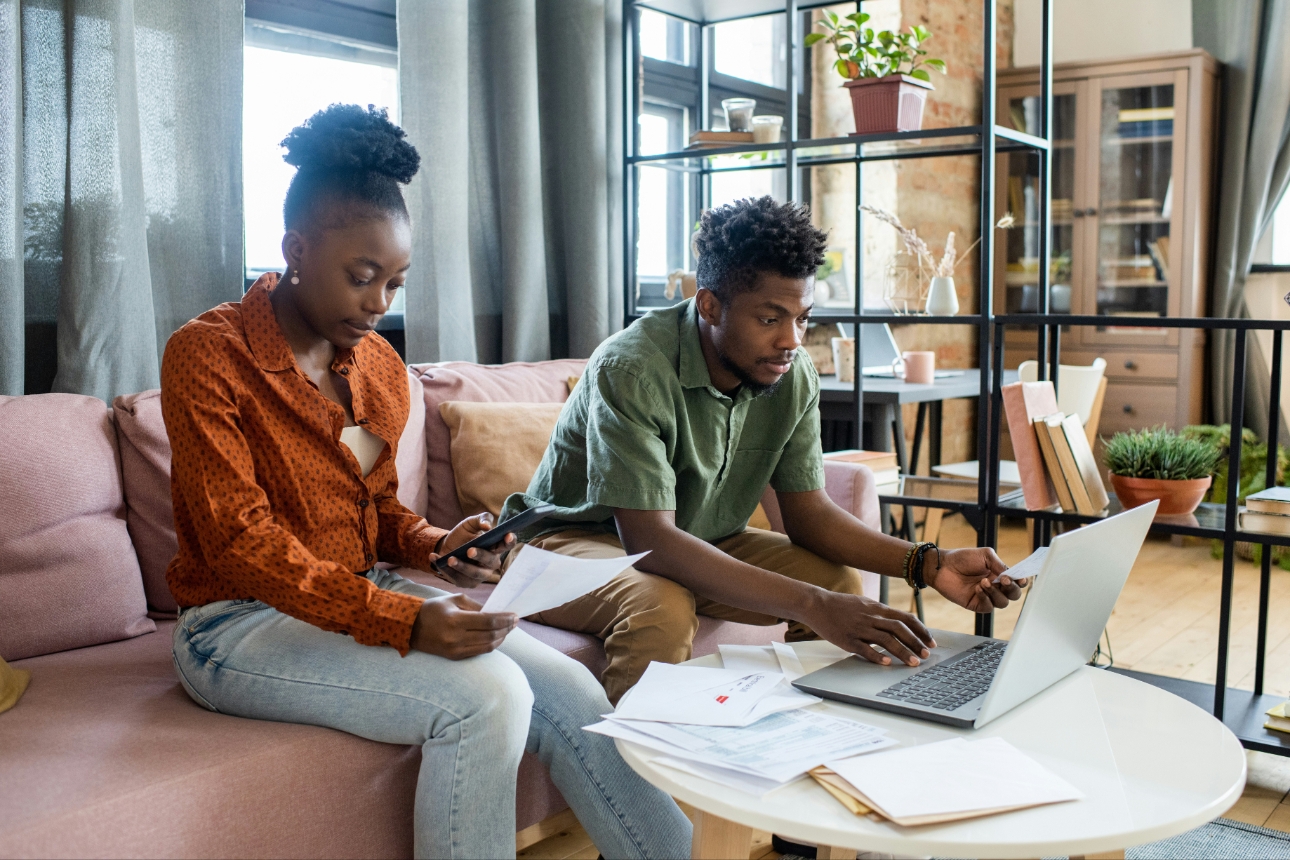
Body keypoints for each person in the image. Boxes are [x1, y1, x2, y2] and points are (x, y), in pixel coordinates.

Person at [161, 104, 690, 860]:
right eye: (363, 277)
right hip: (234, 625)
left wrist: (442, 545)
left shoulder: (375, 368)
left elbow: (378, 514)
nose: (380, 305)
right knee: (490, 698)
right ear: (296, 250)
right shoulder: (208, 356)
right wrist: (403, 620)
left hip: (366, 587)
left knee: (577, 696)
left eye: (396, 282)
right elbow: (239, 543)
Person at [501, 195, 1028, 705]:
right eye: (770, 318)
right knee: (661, 607)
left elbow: (809, 515)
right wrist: (814, 605)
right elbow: (651, 541)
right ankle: (640, 789)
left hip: (694, 538)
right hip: (570, 542)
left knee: (837, 581)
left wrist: (927, 564)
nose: (792, 340)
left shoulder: (792, 374)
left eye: (804, 318)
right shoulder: (633, 368)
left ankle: (814, 741)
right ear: (710, 304)